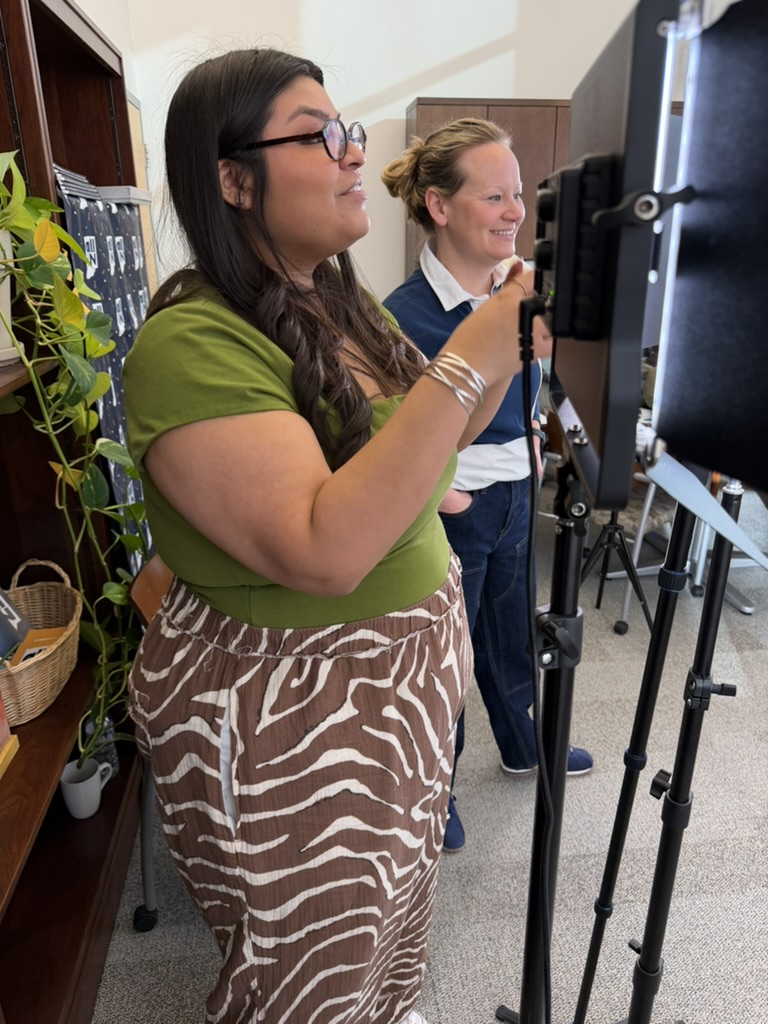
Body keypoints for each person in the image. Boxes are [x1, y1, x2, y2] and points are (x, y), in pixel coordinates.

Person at [122, 50, 548, 1024]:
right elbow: (325, 548)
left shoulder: (339, 306)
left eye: (348, 130)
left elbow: (415, 464)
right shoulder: (191, 339)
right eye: (320, 134)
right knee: (303, 975)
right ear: (231, 177)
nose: (354, 154)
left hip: (395, 692)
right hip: (296, 710)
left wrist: (474, 384)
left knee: (387, 926)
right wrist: (467, 360)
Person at [381, 118, 593, 853]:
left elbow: (527, 388)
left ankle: (522, 742)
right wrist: (451, 495)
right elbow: (406, 438)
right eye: (494, 196)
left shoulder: (513, 296)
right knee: (448, 654)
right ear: (440, 207)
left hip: (513, 495)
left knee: (509, 634)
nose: (515, 213)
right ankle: (433, 790)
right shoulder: (402, 317)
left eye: (519, 197)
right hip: (455, 508)